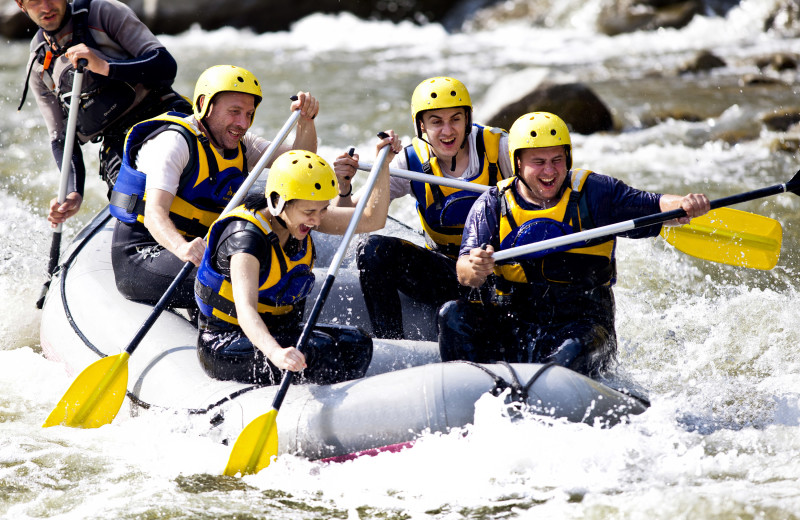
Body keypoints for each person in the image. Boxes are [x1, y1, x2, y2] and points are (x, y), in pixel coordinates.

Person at [439, 112, 711, 377]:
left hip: (583, 327)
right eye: (539, 161)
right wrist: (476, 266)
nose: (549, 171)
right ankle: (469, 386)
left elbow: (656, 205)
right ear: (518, 162)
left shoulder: (594, 192)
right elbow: (465, 273)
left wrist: (683, 205)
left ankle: (552, 385)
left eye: (557, 160)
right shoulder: (492, 204)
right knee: (453, 314)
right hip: (515, 323)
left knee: (569, 354)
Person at [109, 64, 319, 310]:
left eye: (249, 114)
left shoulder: (241, 144)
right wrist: (182, 248)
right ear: (203, 105)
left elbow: (300, 164)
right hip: (145, 254)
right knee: (247, 277)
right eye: (234, 111)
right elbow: (155, 214)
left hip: (198, 250)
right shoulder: (174, 143)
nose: (243, 123)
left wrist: (306, 121)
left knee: (272, 267)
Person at [195, 139, 401, 385]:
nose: (317, 221)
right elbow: (246, 311)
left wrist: (383, 165)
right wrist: (276, 353)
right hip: (227, 342)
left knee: (357, 342)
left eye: (323, 210)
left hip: (278, 332)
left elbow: (372, 219)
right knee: (318, 350)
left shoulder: (299, 215)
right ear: (277, 201)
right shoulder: (245, 240)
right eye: (309, 213)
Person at [333, 76, 513, 339]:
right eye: (436, 122)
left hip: (499, 272)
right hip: (447, 272)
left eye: (455, 119)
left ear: (468, 119)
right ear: (422, 126)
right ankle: (390, 341)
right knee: (373, 250)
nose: (447, 131)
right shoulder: (410, 161)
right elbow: (351, 218)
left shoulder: (501, 148)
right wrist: (344, 186)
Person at [16, 0, 192, 226]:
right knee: (130, 211)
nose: (46, 7)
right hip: (117, 141)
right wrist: (73, 193)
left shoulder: (103, 12)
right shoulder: (39, 63)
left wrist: (106, 67)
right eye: (35, 1)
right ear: (21, 6)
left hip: (160, 111)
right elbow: (61, 138)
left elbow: (165, 66)